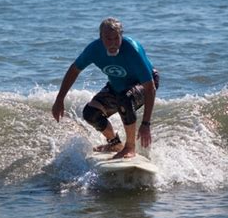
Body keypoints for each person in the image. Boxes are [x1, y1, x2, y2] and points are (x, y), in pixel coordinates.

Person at [51, 17, 159, 159]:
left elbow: (150, 87)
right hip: (117, 86)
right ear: (101, 37)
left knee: (125, 98)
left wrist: (146, 124)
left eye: (116, 38)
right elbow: (74, 70)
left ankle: (130, 147)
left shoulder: (132, 50)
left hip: (146, 84)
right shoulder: (94, 49)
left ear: (122, 36)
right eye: (108, 39)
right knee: (91, 113)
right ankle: (114, 143)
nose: (113, 43)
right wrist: (60, 99)